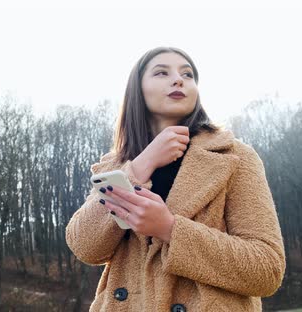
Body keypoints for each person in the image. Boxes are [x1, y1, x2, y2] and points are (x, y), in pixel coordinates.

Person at [65, 47, 285, 312]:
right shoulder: (115, 166)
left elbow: (267, 269)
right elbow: (85, 247)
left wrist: (169, 229)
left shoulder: (234, 157)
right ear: (137, 89)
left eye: (188, 74)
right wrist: (140, 167)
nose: (178, 79)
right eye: (161, 72)